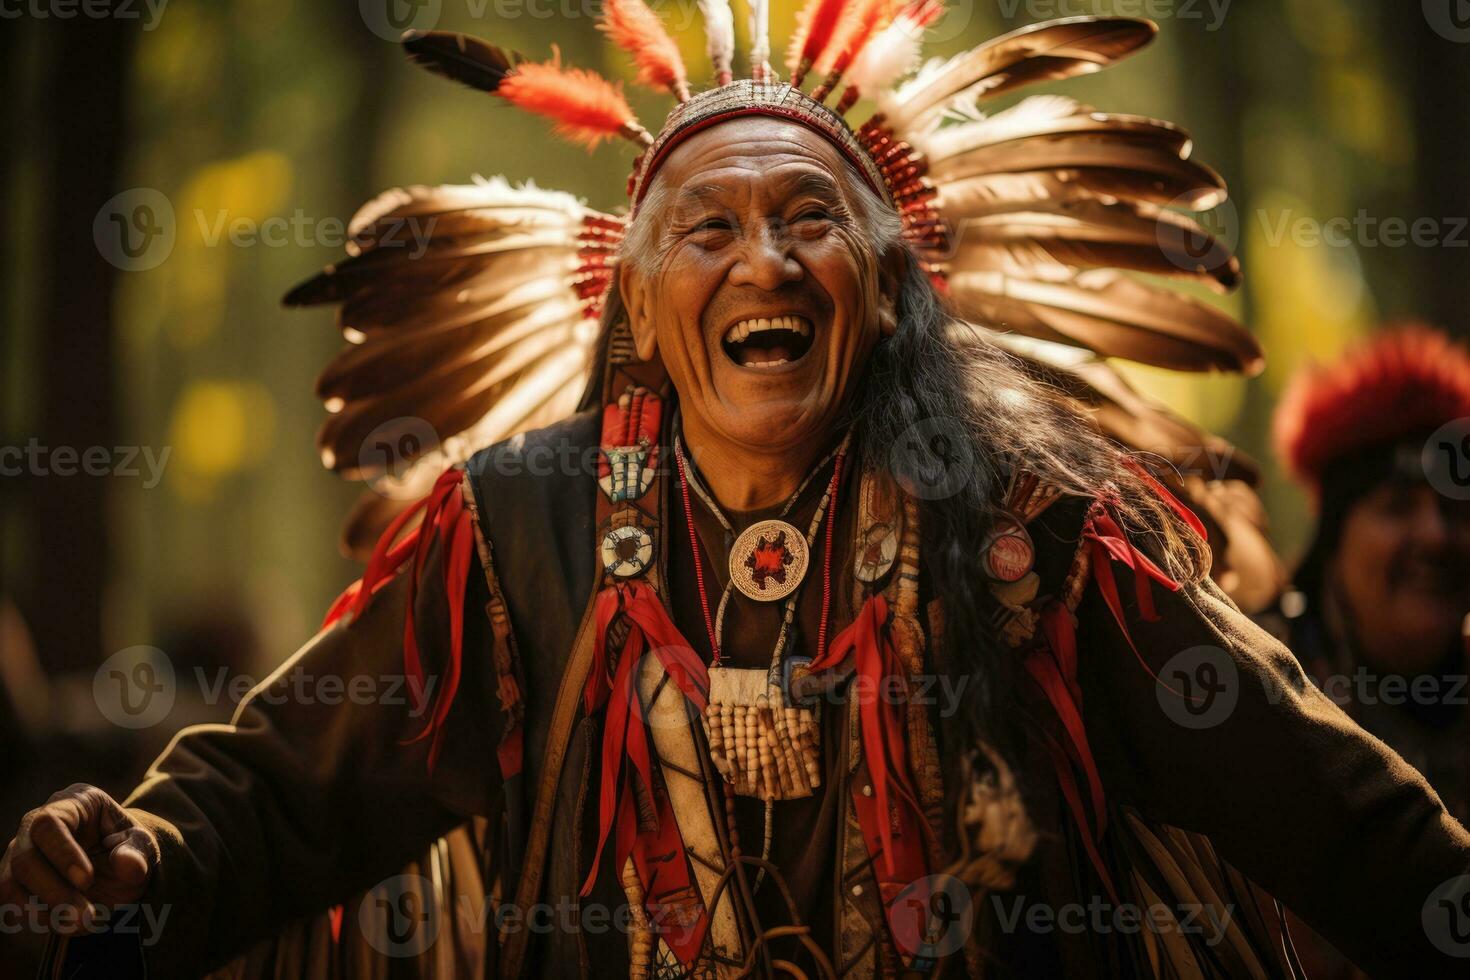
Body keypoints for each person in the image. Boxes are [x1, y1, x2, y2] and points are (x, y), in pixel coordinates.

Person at [4, 12, 1468, 979]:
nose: (760, 261)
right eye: (705, 227)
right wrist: (144, 857)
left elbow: (1331, 813)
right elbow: (286, 794)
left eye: (806, 220)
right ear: (637, 308)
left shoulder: (1041, 533)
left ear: (885, 293)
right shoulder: (512, 541)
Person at [1261, 325, 1470, 979]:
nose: (1436, 536)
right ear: (1332, 543)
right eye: (1398, 505)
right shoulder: (1254, 699)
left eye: (1456, 509)